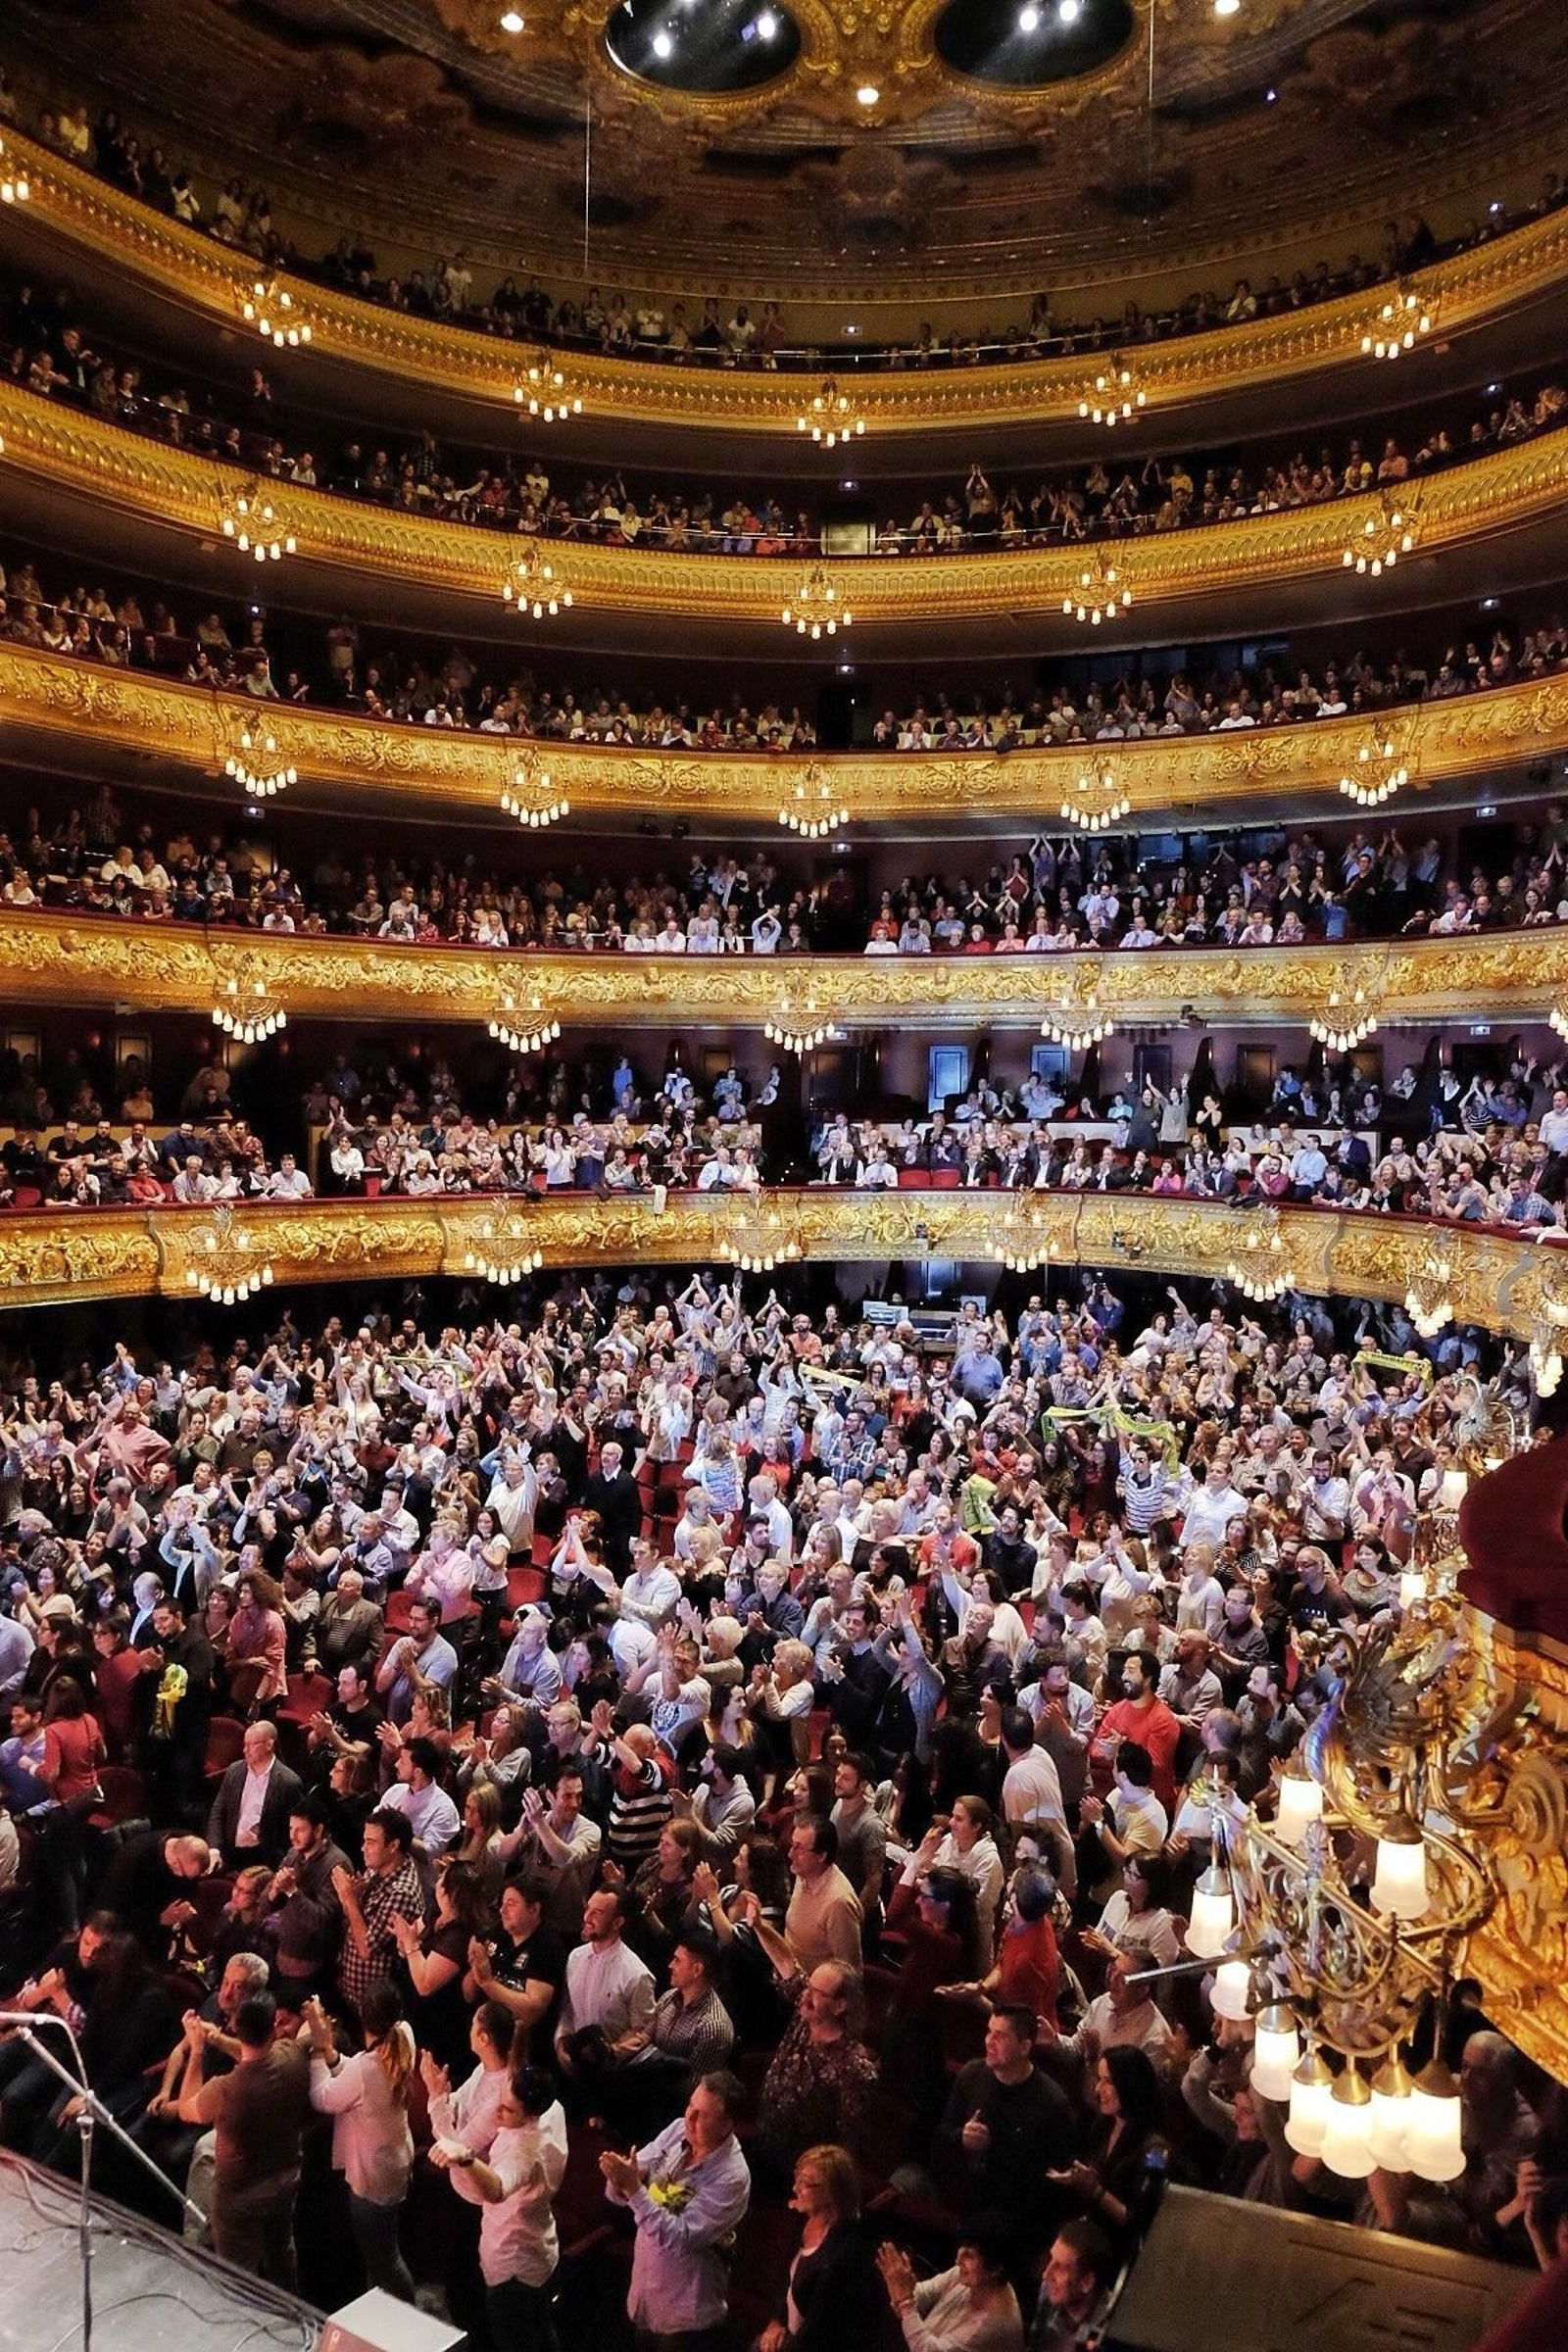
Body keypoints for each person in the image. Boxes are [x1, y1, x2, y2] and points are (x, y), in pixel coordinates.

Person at [601, 2070, 753, 2346]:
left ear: (727, 2125)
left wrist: (633, 2188)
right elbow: (629, 2182)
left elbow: (680, 2236)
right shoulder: (676, 2130)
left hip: (685, 2316)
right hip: (646, 2294)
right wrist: (620, 2179)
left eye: (702, 2115)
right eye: (690, 2106)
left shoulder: (732, 2177)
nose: (689, 2119)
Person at [173, 1989, 311, 2287]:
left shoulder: (225, 2089)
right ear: (273, 2024)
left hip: (241, 2193)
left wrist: (197, 2049)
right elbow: (259, 2055)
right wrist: (216, 2039)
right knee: (281, 2252)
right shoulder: (294, 2057)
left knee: (236, 2275)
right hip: (287, 2176)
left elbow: (187, 2109)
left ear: (235, 2025)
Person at [433, 2060, 568, 2352]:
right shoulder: (553, 2108)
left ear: (531, 2115)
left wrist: (466, 2157)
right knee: (541, 2334)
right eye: (500, 2100)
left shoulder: (526, 2149)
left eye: (507, 2109)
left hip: (514, 2266)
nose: (498, 2112)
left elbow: (497, 2189)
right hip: (540, 2249)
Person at [302, 1982, 416, 2300]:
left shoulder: (369, 2068)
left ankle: (410, 2323)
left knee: (384, 2261)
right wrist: (330, 2051)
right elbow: (355, 2074)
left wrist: (315, 2050)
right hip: (392, 2164)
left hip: (373, 2178)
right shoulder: (403, 2035)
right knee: (382, 2257)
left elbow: (323, 2098)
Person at [758, 2143, 877, 2352]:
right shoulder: (803, 2223)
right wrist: (776, 2322)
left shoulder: (843, 2255)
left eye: (805, 2183)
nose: (795, 2188)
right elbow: (788, 2282)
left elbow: (817, 2335)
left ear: (832, 2192)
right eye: (798, 2178)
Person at [876, 2224, 1025, 2352]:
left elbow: (927, 2350)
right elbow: (927, 2292)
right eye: (961, 2249)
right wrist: (898, 2284)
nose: (958, 2260)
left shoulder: (995, 2327)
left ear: (995, 2269)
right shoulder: (972, 2276)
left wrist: (905, 2301)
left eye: (969, 2255)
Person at [207, 1720, 303, 1869]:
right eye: (245, 1744)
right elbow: (218, 1810)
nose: (245, 1750)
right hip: (229, 1853)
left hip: (263, 1858)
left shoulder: (289, 1782)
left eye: (251, 1745)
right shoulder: (234, 1771)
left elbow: (294, 1829)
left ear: (269, 1745)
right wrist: (214, 1849)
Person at [1030, 2219, 1117, 2352]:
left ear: (1086, 2283)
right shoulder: (1048, 2292)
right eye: (1050, 2260)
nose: (1046, 2275)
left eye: (1059, 2268)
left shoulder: (1114, 2332)